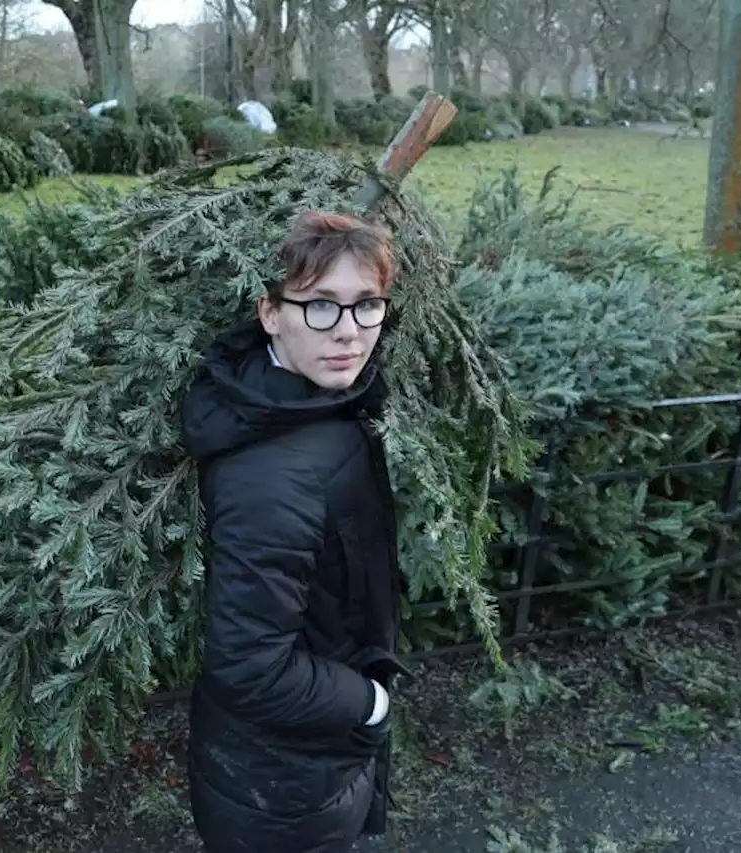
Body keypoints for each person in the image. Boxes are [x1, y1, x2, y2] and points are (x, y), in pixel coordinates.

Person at [179, 210, 411, 853]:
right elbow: (251, 667)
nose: (348, 333)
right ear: (270, 313)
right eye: (319, 306)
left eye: (367, 305)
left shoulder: (303, 399)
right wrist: (370, 704)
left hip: (306, 766)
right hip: (282, 791)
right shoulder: (269, 480)